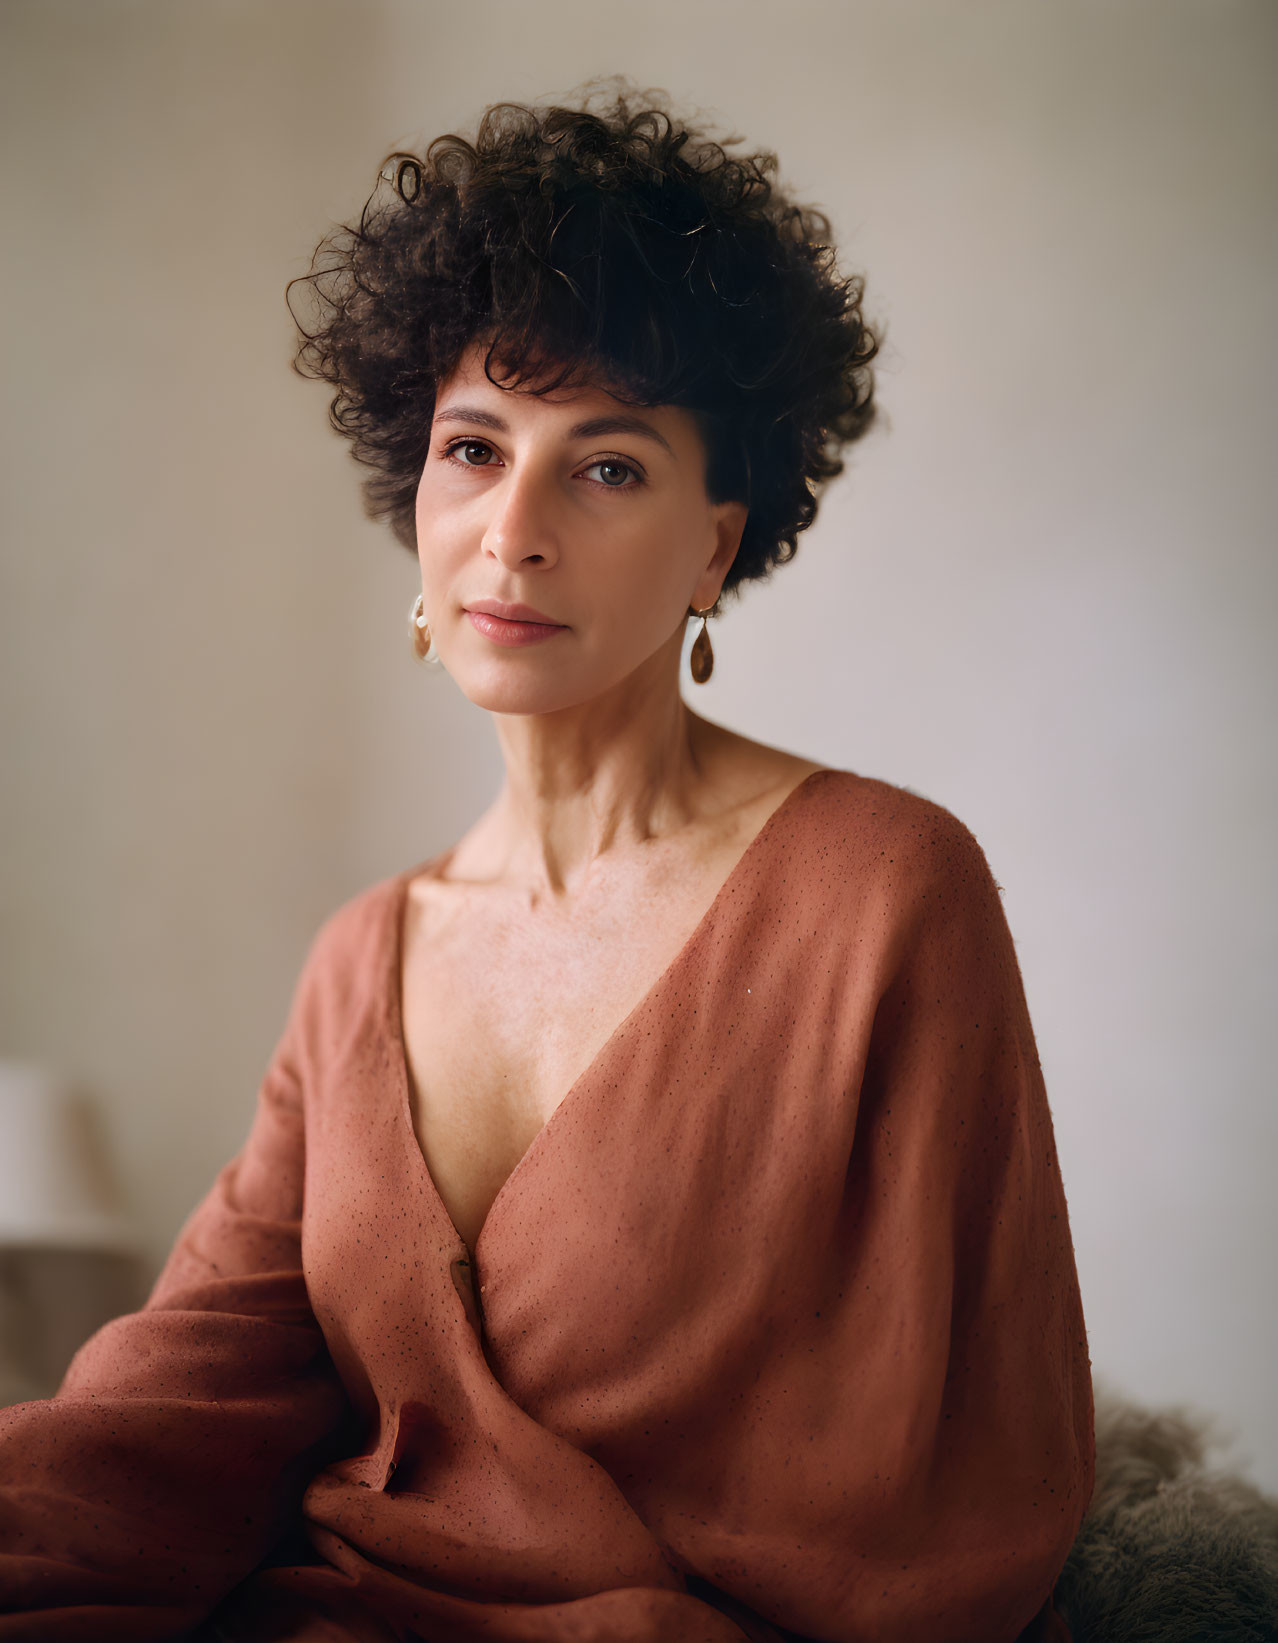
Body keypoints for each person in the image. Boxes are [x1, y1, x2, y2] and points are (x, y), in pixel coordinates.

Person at [0, 80, 1094, 1642]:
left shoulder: (882, 893)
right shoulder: (363, 955)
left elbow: (974, 1483)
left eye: (606, 466)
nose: (511, 531)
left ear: (714, 547)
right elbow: (181, 1399)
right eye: (472, 448)